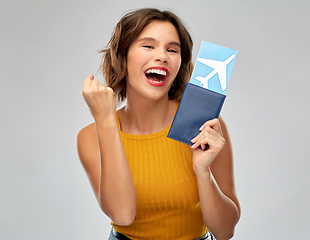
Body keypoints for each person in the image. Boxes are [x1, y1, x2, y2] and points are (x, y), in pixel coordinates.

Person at [77, 8, 240, 240]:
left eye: (172, 49)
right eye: (148, 46)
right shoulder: (90, 136)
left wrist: (203, 172)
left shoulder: (205, 126)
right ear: (122, 56)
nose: (162, 56)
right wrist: (106, 121)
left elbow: (225, 231)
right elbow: (122, 215)